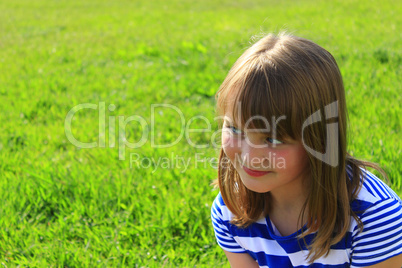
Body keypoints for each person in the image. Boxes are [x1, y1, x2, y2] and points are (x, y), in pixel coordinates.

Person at [210, 32, 402, 267]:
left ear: (319, 139)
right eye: (235, 130)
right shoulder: (231, 209)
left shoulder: (373, 218)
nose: (250, 157)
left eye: (272, 139)